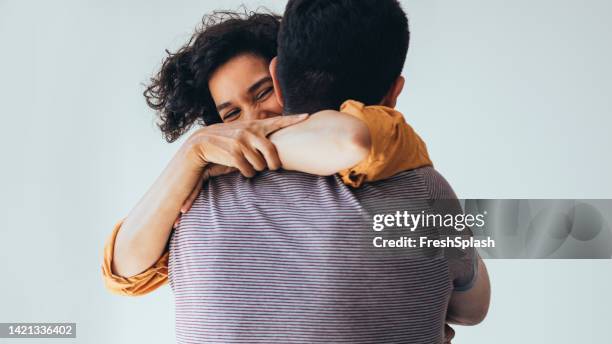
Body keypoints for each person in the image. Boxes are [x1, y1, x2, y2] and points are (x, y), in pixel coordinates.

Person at [103, 1, 490, 342]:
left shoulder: (377, 144)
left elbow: (350, 139)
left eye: (261, 94)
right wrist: (191, 154)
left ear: (281, 76)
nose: (251, 124)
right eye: (232, 115)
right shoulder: (202, 187)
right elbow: (122, 271)